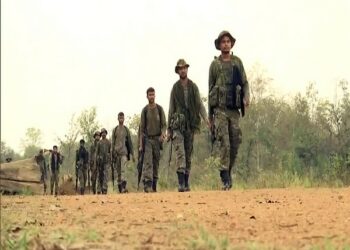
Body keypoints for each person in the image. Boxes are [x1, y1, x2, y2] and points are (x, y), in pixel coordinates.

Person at [208, 30, 250, 190]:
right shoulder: (214, 65)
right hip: (219, 110)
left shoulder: (237, 62)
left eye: (228, 41)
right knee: (224, 142)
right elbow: (210, 89)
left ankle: (228, 171)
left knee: (234, 143)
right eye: (222, 41)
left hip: (234, 110)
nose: (225, 43)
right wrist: (211, 117)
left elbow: (245, 83)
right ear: (219, 45)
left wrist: (246, 98)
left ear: (231, 44)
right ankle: (224, 175)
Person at [168, 59, 210, 192]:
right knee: (180, 153)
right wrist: (169, 129)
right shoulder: (175, 88)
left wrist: (206, 119)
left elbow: (199, 105)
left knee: (188, 152)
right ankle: (180, 183)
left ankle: (186, 182)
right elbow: (171, 108)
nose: (183, 70)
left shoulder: (193, 86)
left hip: (191, 124)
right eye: (180, 68)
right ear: (178, 71)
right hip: (178, 125)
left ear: (187, 69)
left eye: (184, 68)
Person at [139, 87, 166, 192]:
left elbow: (164, 125)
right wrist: (141, 145)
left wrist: (163, 135)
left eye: (153, 94)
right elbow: (142, 129)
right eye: (150, 95)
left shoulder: (159, 109)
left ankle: (154, 184)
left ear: (155, 95)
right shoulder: (145, 110)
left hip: (157, 140)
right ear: (147, 96)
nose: (151, 96)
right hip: (148, 140)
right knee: (148, 162)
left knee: (156, 162)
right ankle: (148, 184)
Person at [111, 112, 135, 193]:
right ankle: (120, 188)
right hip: (116, 154)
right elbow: (112, 143)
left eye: (122, 117)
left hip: (124, 153)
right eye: (120, 117)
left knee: (123, 170)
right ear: (117, 119)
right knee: (118, 172)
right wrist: (112, 154)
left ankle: (124, 187)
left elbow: (130, 142)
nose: (121, 118)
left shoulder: (126, 129)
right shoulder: (115, 130)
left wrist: (132, 154)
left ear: (124, 119)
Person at [96, 128, 111, 194]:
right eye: (102, 133)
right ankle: (99, 189)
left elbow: (110, 152)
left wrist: (110, 158)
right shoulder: (99, 143)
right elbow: (97, 153)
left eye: (104, 133)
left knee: (106, 175)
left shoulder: (108, 142)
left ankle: (105, 188)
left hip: (107, 162)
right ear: (101, 134)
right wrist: (98, 158)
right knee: (100, 176)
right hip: (100, 162)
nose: (103, 134)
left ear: (106, 133)